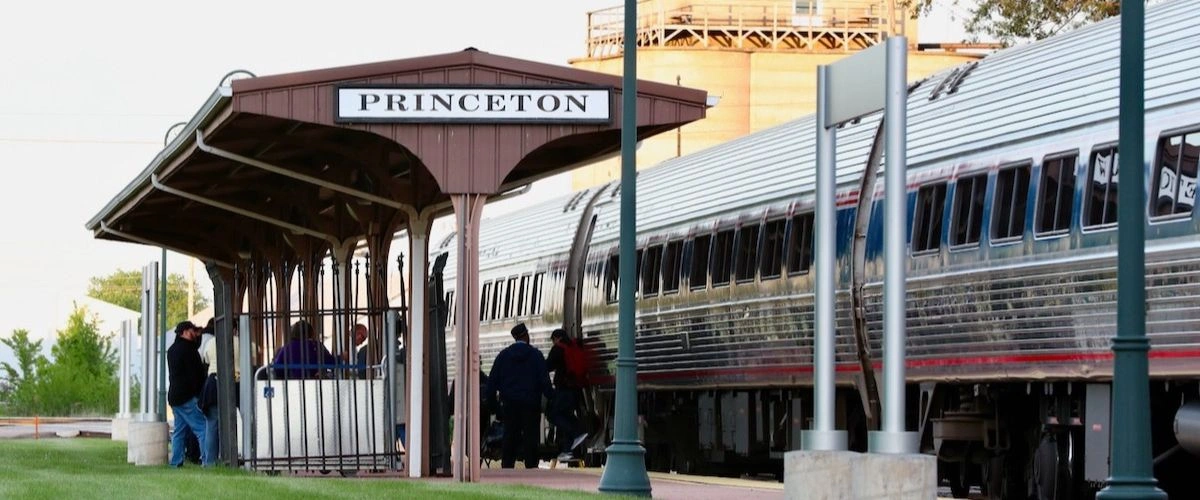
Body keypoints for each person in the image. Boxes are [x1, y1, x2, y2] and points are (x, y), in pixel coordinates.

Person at [486, 322, 553, 468]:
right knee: (531, 438)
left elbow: (491, 383)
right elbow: (545, 381)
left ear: (515, 338)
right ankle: (531, 467)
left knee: (509, 437)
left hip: (509, 404)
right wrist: (551, 399)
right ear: (526, 336)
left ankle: (507, 467)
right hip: (531, 404)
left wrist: (495, 407)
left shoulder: (503, 356)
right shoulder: (536, 355)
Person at [199, 318, 240, 467]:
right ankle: (234, 457)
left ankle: (210, 462)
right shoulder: (241, 343)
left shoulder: (211, 343)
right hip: (236, 383)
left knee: (212, 424)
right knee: (238, 422)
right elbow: (254, 356)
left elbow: (206, 360)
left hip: (213, 383)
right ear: (235, 329)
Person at [167, 320, 208, 467]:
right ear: (184, 332)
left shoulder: (172, 350)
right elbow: (195, 375)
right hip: (187, 397)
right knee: (202, 428)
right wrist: (199, 394)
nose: (195, 334)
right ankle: (207, 461)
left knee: (179, 431)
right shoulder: (189, 351)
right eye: (192, 331)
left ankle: (176, 462)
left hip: (174, 396)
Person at [545, 329, 588, 462]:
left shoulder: (558, 349)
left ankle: (578, 432)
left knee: (554, 415)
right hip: (576, 389)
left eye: (553, 340)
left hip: (563, 389)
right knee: (567, 416)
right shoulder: (574, 346)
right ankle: (567, 450)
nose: (553, 343)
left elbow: (547, 366)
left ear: (557, 338)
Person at [273, 320, 337, 378]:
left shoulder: (285, 348)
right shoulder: (316, 346)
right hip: (313, 383)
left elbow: (277, 370)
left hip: (291, 384)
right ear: (311, 332)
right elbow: (332, 363)